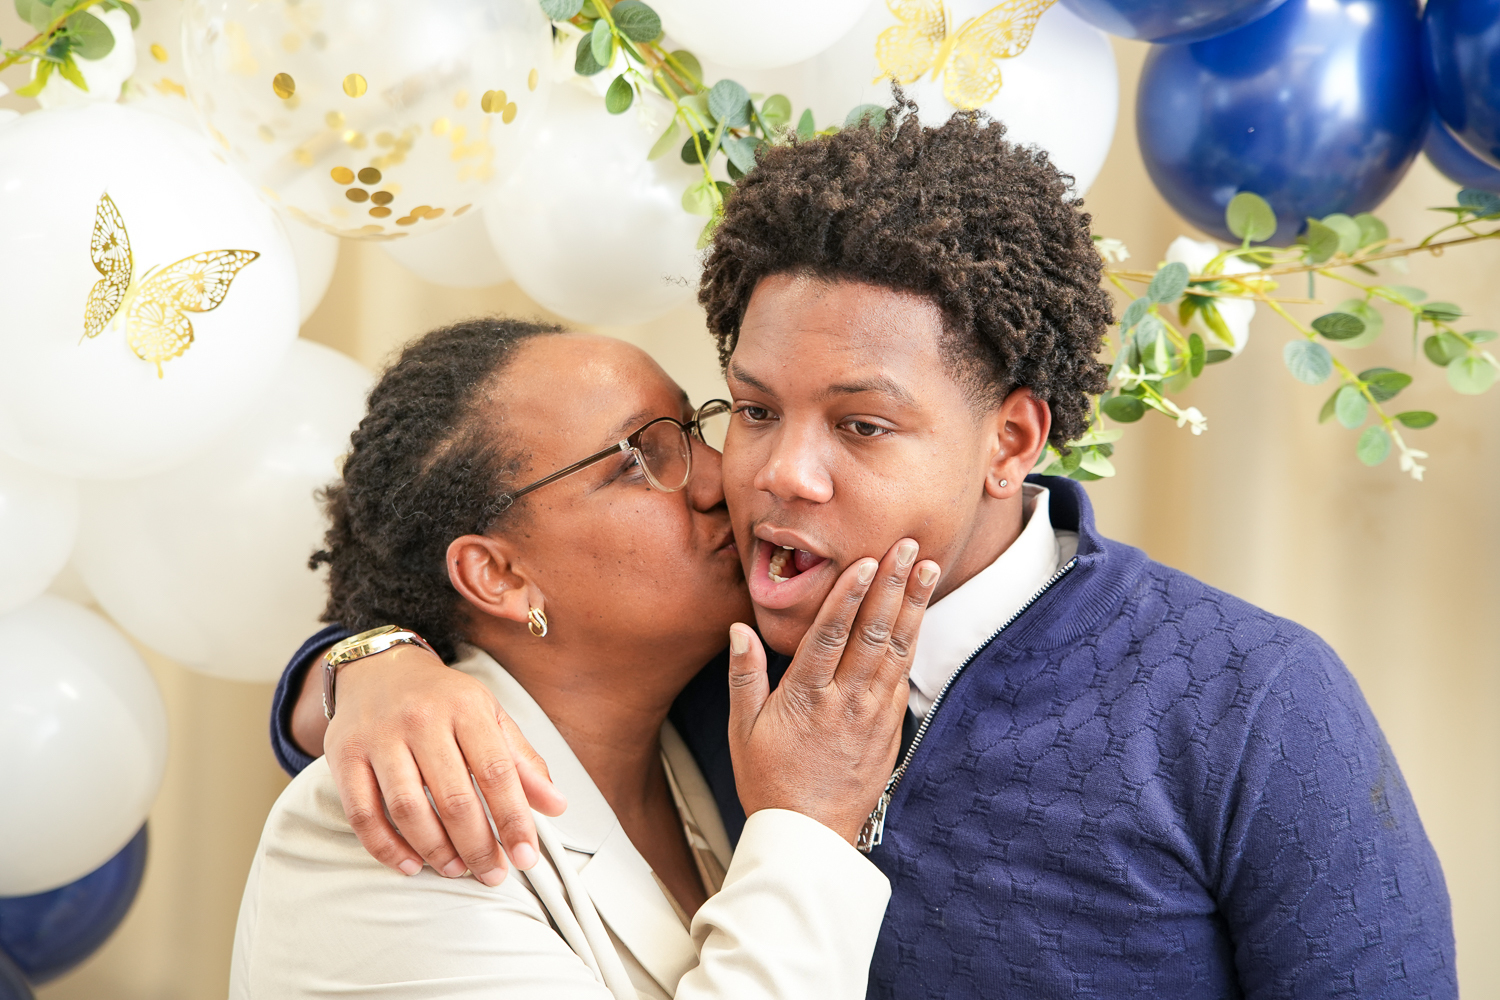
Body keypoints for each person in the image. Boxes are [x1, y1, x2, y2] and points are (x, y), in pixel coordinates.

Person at [270, 98, 1457, 997]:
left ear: (1011, 439)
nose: (772, 474)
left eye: (862, 425)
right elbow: (498, 634)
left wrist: (359, 664)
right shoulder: (707, 652)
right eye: (753, 408)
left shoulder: (1249, 701)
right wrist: (370, 661)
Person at [231, 318, 944, 999]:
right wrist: (806, 823)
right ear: (499, 575)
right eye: (640, 458)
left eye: (695, 429)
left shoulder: (710, 714)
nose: (721, 479)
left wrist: (370, 656)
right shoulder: (402, 824)